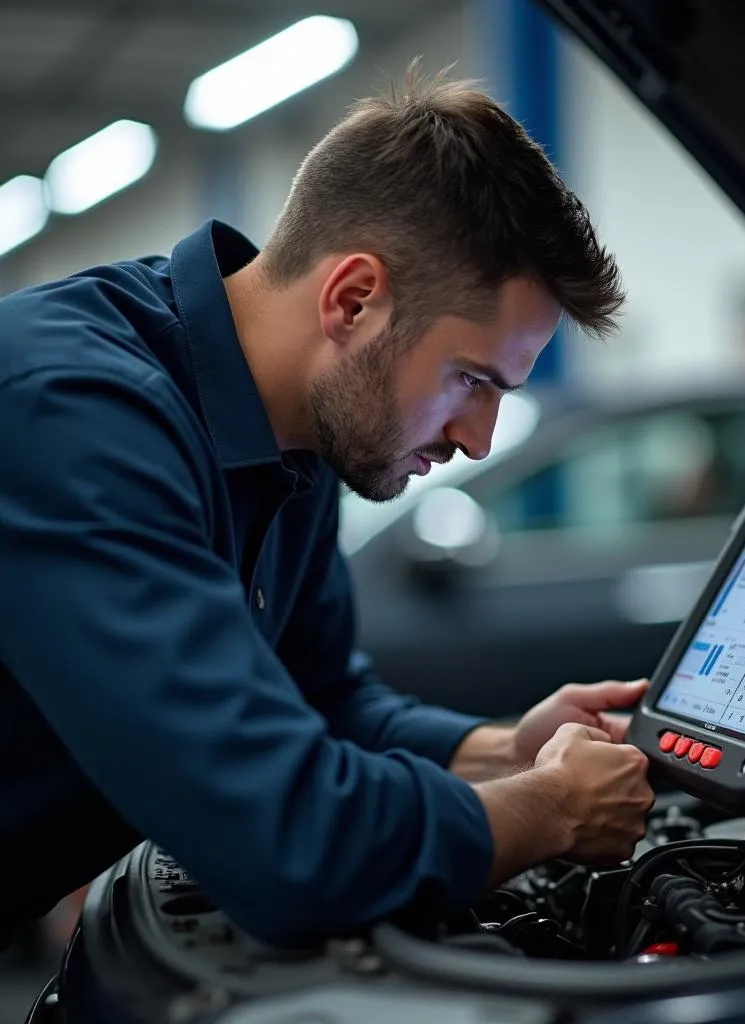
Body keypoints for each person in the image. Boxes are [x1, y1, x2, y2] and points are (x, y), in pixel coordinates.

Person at [0, 65, 654, 951]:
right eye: (471, 380)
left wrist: (506, 752)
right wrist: (548, 811)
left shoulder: (298, 437)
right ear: (353, 299)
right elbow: (289, 844)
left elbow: (323, 702)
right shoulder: (74, 412)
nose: (480, 441)